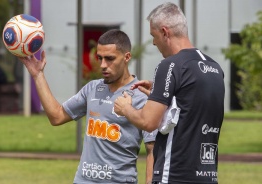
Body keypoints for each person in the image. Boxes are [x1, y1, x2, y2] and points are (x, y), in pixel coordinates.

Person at [19, 29, 157, 184]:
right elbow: (56, 116)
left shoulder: (142, 96)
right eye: (100, 58)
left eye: (109, 58)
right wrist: (38, 76)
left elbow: (152, 150)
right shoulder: (92, 89)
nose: (103, 65)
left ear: (127, 57)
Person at [114, 2, 225, 184]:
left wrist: (125, 108)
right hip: (208, 175)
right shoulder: (214, 67)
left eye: (154, 36)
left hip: (173, 175)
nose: (153, 42)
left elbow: (148, 122)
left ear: (165, 32)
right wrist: (160, 94)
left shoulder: (170, 65)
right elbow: (189, 106)